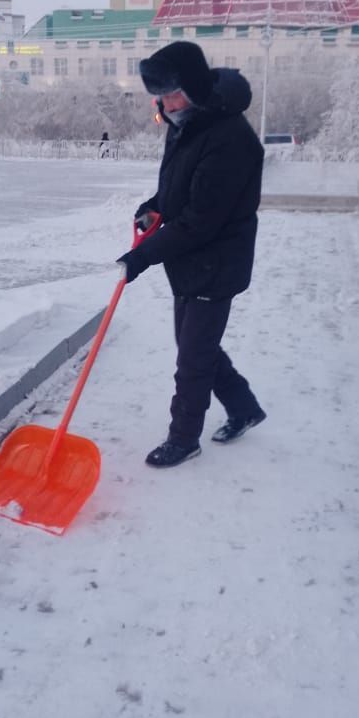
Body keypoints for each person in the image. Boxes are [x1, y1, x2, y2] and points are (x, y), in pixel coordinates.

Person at [116, 40, 266, 469]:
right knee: (195, 346)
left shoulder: (230, 139)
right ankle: (244, 408)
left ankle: (184, 439)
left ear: (196, 88)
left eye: (172, 93)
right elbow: (179, 188)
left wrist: (142, 258)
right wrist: (154, 207)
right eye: (159, 95)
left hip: (216, 263)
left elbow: (202, 220)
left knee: (193, 359)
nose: (164, 103)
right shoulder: (186, 124)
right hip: (191, 261)